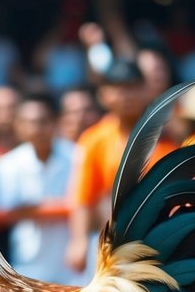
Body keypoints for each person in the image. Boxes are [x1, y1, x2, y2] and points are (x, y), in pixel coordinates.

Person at [66, 59, 176, 275]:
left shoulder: (166, 136)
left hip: (162, 243)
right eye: (118, 88)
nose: (126, 95)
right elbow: (83, 196)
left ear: (146, 90)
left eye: (133, 87)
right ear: (104, 94)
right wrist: (78, 241)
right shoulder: (94, 139)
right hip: (112, 247)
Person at [0, 94, 82, 285]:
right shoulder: (7, 164)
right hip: (27, 261)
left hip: (74, 263)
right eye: (30, 122)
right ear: (19, 126)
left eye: (43, 121)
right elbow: (6, 212)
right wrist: (61, 207)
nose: (37, 129)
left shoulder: (78, 157)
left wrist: (32, 209)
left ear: (55, 122)